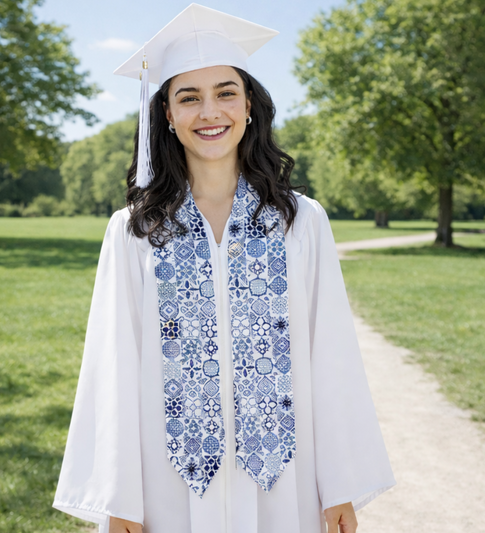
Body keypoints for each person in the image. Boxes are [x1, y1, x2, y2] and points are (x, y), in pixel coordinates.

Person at [52, 4, 396, 533]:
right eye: (188, 97)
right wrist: (118, 497)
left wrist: (341, 486)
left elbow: (331, 356)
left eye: (225, 92)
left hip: (284, 478)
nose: (209, 111)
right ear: (166, 114)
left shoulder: (298, 222)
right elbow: (112, 364)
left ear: (251, 105)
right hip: (166, 478)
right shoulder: (135, 230)